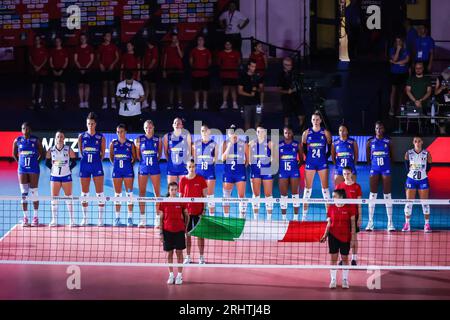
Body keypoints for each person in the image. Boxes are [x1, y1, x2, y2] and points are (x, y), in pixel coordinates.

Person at [320, 189, 356, 289]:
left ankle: (345, 280)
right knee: (333, 258)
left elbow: (353, 225)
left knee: (345, 258)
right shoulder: (331, 208)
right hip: (333, 236)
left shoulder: (350, 208)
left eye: (334, 196)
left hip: (345, 237)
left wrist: (353, 238)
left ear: (341, 197)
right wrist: (325, 235)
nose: (333, 198)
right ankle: (333, 280)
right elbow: (329, 223)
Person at [301, 112, 332, 221]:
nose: (315, 121)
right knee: (307, 189)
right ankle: (304, 216)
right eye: (313, 119)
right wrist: (308, 157)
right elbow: (304, 148)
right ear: (311, 120)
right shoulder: (306, 133)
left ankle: (329, 216)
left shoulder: (326, 133)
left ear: (320, 120)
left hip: (322, 163)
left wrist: (325, 157)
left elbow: (329, 146)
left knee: (325, 189)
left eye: (317, 119)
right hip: (310, 163)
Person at [12, 122, 44, 227]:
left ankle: (35, 217)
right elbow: (14, 154)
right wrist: (20, 163)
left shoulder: (36, 140)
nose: (25, 130)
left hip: (34, 170)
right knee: (24, 194)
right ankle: (25, 217)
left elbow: (42, 154)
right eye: (23, 128)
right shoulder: (17, 140)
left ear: (30, 129)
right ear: (21, 130)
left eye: (27, 128)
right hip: (22, 170)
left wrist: (36, 163)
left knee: (34, 192)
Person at [78, 112, 106, 227]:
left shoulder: (101, 137)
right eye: (88, 123)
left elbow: (103, 154)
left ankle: (100, 219)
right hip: (84, 166)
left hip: (96, 166)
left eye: (92, 124)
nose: (90, 125)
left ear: (95, 124)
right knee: (84, 193)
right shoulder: (81, 137)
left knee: (100, 193)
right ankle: (85, 218)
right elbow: (81, 152)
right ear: (86, 123)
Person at [365, 121, 394, 232]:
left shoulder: (388, 141)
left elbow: (392, 156)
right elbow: (368, 158)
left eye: (381, 128)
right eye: (377, 128)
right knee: (373, 195)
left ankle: (390, 223)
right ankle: (370, 222)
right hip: (374, 170)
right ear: (375, 129)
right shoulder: (370, 142)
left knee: (387, 195)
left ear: (384, 129)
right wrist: (372, 166)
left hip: (385, 169)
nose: (379, 130)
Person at [158, 182, 188, 285]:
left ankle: (179, 275)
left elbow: (186, 215)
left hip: (179, 231)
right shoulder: (164, 202)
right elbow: (161, 218)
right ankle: (171, 275)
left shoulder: (181, 201)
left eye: (176, 189)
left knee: (179, 253)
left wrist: (185, 227)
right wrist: (161, 233)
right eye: (172, 190)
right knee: (169, 254)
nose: (174, 191)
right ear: (168, 190)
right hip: (167, 232)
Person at [45, 130, 77, 227]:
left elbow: (74, 161)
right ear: (55, 138)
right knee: (54, 198)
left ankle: (72, 220)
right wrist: (53, 169)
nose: (59, 138)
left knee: (69, 197)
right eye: (58, 136)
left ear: (64, 138)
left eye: (61, 136)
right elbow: (47, 162)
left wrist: (69, 169)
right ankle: (54, 220)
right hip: (55, 177)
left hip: (66, 176)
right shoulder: (51, 150)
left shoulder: (68, 149)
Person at [179, 160, 208, 265]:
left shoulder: (201, 179)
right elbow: (181, 197)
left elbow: (205, 197)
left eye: (193, 166)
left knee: (200, 235)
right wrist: (181, 211)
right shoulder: (183, 180)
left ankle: (201, 257)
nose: (191, 168)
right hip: (187, 213)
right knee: (188, 235)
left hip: (198, 212)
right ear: (187, 168)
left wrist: (204, 210)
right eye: (189, 167)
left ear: (195, 167)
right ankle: (188, 257)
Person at [402, 136, 433, 233]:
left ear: (422, 142)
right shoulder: (408, 153)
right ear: (413, 142)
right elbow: (407, 167)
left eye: (419, 141)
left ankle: (427, 224)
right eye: (415, 141)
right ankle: (407, 223)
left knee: (425, 203)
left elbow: (429, 167)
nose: (417, 143)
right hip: (411, 180)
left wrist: (422, 173)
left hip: (423, 180)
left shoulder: (427, 153)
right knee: (408, 202)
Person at [135, 120, 162, 228]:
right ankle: (142, 219)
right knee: (142, 193)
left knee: (157, 194)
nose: (148, 129)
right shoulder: (139, 139)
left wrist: (154, 161)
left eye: (150, 127)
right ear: (144, 128)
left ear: (153, 127)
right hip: (143, 168)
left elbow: (159, 154)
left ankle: (157, 219)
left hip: (155, 167)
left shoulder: (157, 139)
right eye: (146, 127)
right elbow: (138, 155)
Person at [109, 124, 136, 227]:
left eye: (122, 131)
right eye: (118, 132)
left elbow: (134, 158)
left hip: (128, 171)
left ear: (125, 132)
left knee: (129, 195)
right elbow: (111, 158)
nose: (120, 133)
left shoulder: (130, 144)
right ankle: (117, 218)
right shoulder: (113, 144)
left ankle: (129, 218)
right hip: (117, 172)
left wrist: (128, 165)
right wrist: (116, 165)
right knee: (117, 195)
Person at [336, 167, 362, 265]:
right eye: (344, 174)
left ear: (351, 174)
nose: (346, 176)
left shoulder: (357, 187)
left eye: (347, 173)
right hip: (342, 217)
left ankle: (354, 259)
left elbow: (359, 204)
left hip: (353, 216)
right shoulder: (339, 187)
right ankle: (343, 259)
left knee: (354, 237)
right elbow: (336, 203)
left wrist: (360, 217)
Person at [222, 125, 248, 218]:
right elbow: (222, 158)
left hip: (239, 173)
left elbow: (247, 161)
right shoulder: (225, 143)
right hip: (228, 173)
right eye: (231, 133)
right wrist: (229, 146)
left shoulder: (244, 144)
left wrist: (240, 167)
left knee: (241, 196)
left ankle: (242, 217)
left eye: (235, 133)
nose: (233, 135)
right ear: (228, 134)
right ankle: (226, 217)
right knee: (226, 196)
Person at [192, 124, 218, 216]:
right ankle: (200, 216)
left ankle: (211, 217)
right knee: (200, 196)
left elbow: (215, 159)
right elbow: (194, 160)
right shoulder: (196, 144)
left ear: (209, 131)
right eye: (202, 131)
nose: (204, 132)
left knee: (210, 195)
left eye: (205, 130)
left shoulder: (214, 144)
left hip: (210, 172)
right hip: (199, 172)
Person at [249, 125, 273, 220]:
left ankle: (269, 218)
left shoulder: (269, 143)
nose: (260, 133)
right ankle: (255, 218)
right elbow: (250, 160)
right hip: (255, 170)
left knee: (268, 195)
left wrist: (266, 160)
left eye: (262, 131)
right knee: (256, 195)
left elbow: (274, 158)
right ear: (256, 133)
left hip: (266, 169)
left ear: (265, 132)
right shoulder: (251, 144)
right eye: (258, 131)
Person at [279, 125, 302, 221]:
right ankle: (284, 218)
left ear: (292, 133)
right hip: (283, 172)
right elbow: (275, 159)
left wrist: (296, 167)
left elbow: (301, 159)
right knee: (283, 195)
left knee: (295, 194)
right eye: (285, 133)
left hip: (294, 172)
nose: (287, 134)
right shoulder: (279, 145)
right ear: (283, 134)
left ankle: (296, 218)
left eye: (289, 132)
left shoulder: (297, 144)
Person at [278, 57, 305, 130]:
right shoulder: (281, 75)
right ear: (284, 65)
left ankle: (302, 131)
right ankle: (286, 130)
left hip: (296, 97)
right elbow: (279, 90)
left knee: (301, 115)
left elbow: (300, 83)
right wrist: (287, 91)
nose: (290, 67)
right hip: (286, 98)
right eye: (288, 65)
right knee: (287, 117)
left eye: (291, 65)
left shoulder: (295, 73)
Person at [163, 118, 192, 184]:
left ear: (182, 126)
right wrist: (170, 161)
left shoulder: (187, 135)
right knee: (171, 190)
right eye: (175, 123)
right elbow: (165, 152)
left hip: (183, 167)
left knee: (183, 191)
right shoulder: (167, 136)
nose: (177, 124)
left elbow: (189, 151)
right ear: (173, 125)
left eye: (179, 123)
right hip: (172, 167)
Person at [238, 60, 264, 130]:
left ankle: (257, 138)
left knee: (258, 121)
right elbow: (240, 91)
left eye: (255, 66)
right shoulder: (243, 76)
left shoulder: (258, 76)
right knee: (247, 122)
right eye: (252, 66)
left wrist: (256, 90)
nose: (254, 68)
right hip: (246, 104)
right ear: (248, 66)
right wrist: (250, 95)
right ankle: (247, 139)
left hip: (257, 104)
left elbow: (262, 89)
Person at [98, 32, 120, 110]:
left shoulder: (113, 46)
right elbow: (98, 57)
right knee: (104, 84)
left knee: (112, 84)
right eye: (107, 36)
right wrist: (100, 64)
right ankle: (105, 102)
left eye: (110, 36)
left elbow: (117, 57)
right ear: (104, 37)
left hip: (111, 68)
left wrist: (113, 64)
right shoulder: (101, 46)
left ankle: (113, 102)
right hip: (103, 68)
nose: (109, 37)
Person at [389, 37, 410, 116]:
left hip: (403, 73)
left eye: (399, 41)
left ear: (402, 41)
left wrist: (395, 63)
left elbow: (407, 60)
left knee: (401, 92)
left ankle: (399, 108)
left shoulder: (406, 50)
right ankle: (392, 108)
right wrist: (398, 50)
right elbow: (394, 58)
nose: (398, 43)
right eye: (396, 41)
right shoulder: (392, 50)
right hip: (394, 73)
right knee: (393, 91)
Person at [190, 35, 212, 110]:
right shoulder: (194, 50)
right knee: (196, 89)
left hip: (205, 73)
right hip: (196, 72)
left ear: (204, 41)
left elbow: (209, 61)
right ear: (197, 41)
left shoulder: (207, 51)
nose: (200, 41)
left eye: (201, 40)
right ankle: (197, 103)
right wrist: (194, 67)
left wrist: (205, 68)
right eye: (199, 40)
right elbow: (191, 61)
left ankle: (205, 103)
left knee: (205, 89)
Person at [163, 33, 184, 110]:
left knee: (179, 87)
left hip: (178, 70)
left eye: (176, 38)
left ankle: (180, 104)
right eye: (173, 38)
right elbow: (165, 59)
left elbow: (181, 56)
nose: (174, 40)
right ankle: (170, 104)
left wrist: (177, 46)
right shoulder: (167, 47)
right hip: (169, 70)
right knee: (170, 88)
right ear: (171, 39)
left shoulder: (180, 46)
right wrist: (164, 70)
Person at [218, 41, 241, 110]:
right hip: (224, 74)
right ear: (225, 45)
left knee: (233, 89)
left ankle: (234, 103)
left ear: (231, 45)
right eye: (226, 44)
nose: (228, 45)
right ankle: (224, 103)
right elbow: (219, 63)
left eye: (229, 44)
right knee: (225, 88)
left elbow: (239, 62)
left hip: (233, 74)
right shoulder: (221, 53)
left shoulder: (236, 53)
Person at [74, 33, 94, 109]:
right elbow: (75, 59)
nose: (82, 39)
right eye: (81, 38)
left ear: (86, 39)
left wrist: (86, 68)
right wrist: (80, 68)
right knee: (80, 86)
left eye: (84, 38)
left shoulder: (90, 48)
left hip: (87, 70)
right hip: (79, 70)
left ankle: (86, 102)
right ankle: (81, 102)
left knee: (87, 86)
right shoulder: (77, 48)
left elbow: (91, 59)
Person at [29, 35, 48, 110]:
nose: (37, 41)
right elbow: (30, 58)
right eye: (36, 39)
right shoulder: (32, 49)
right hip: (34, 71)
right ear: (34, 40)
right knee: (33, 87)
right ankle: (33, 102)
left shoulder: (43, 48)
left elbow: (45, 59)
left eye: (38, 39)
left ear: (40, 40)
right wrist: (35, 66)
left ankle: (40, 102)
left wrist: (39, 67)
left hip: (42, 71)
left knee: (41, 86)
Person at [49, 37, 69, 109]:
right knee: (55, 86)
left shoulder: (64, 50)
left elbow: (66, 61)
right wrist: (53, 70)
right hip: (54, 70)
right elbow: (50, 61)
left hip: (62, 70)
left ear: (61, 42)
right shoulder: (52, 51)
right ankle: (56, 101)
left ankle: (63, 101)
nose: (57, 42)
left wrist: (62, 70)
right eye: (56, 41)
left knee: (62, 86)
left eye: (59, 41)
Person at [142, 40, 159, 111]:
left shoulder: (155, 49)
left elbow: (154, 60)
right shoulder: (146, 49)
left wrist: (147, 70)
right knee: (146, 86)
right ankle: (145, 103)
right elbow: (143, 60)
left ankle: (153, 102)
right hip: (145, 71)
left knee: (152, 86)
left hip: (152, 71)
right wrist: (142, 69)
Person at [434, 67, 450, 135]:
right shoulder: (439, 79)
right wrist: (441, 88)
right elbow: (435, 93)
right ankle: (442, 135)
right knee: (441, 122)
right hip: (441, 104)